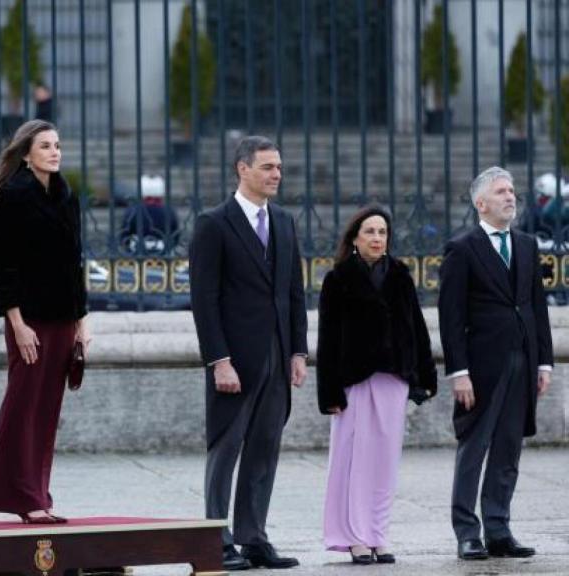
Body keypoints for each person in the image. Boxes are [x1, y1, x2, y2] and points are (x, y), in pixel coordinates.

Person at [188, 135, 307, 571]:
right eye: (267, 167)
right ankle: (216, 541)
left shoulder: (285, 222)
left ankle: (253, 537)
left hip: (277, 355)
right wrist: (219, 361)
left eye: (279, 167)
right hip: (234, 360)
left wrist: (298, 351)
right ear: (243, 168)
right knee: (225, 449)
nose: (277, 174)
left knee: (264, 448)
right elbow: (204, 300)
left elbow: (293, 293)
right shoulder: (213, 224)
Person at [439, 166, 553, 561]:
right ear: (481, 203)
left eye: (511, 191)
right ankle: (467, 532)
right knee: (474, 448)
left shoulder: (526, 244)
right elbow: (451, 317)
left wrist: (544, 362)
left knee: (508, 449)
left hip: (523, 360)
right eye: (501, 192)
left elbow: (536, 306)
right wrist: (459, 372)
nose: (510, 197)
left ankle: (499, 529)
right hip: (481, 366)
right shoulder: (462, 248)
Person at [316, 205, 437, 565]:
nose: (377, 238)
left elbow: (416, 327)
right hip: (353, 380)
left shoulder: (400, 275)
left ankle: (378, 535)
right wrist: (329, 392)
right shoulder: (338, 279)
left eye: (382, 232)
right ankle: (354, 537)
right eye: (369, 231)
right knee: (353, 460)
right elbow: (327, 339)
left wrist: (425, 375)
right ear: (354, 238)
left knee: (384, 463)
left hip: (393, 379)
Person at [0, 120, 89, 524]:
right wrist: (17, 323)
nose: (54, 152)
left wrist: (82, 320)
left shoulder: (66, 195)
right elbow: (3, 266)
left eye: (57, 145)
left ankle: (38, 494)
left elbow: (75, 262)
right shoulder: (12, 196)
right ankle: (17, 494)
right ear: (26, 153)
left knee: (47, 410)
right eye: (45, 145)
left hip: (63, 318)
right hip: (29, 320)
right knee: (23, 405)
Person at [119, 174, 179, 255]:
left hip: (137, 251)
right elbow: (175, 234)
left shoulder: (133, 210)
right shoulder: (169, 211)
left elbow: (124, 234)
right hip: (163, 252)